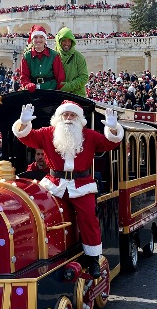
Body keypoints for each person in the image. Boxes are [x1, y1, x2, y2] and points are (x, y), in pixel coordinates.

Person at [12, 99, 123, 278]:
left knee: (89, 218)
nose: (69, 118)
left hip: (81, 185)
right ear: (59, 117)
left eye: (72, 115)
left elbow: (110, 144)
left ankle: (93, 258)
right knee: (42, 214)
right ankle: (43, 252)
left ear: (79, 119)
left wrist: (113, 129)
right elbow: (27, 138)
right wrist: (23, 124)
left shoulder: (89, 135)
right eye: (65, 115)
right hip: (54, 184)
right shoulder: (48, 133)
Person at [20, 25, 65, 92]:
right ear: (32, 40)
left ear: (45, 39)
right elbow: (24, 77)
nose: (38, 40)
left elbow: (60, 77)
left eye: (41, 37)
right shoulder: (26, 56)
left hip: (51, 90)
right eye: (35, 37)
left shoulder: (54, 55)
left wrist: (59, 92)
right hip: (33, 91)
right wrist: (28, 84)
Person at [55, 27, 89, 97]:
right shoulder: (52, 55)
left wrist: (67, 87)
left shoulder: (78, 57)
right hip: (57, 94)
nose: (67, 43)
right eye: (64, 41)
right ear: (59, 41)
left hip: (76, 95)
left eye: (69, 41)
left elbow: (84, 77)